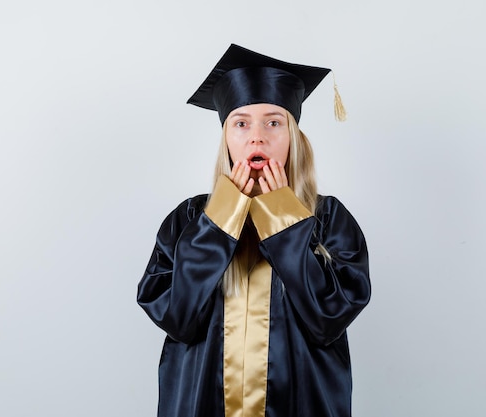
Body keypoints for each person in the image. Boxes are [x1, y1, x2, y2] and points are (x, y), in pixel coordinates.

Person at [137, 44, 371, 417]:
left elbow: (328, 319)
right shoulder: (188, 219)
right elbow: (177, 318)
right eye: (241, 123)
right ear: (226, 137)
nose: (256, 137)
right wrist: (222, 218)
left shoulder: (329, 219)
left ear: (293, 135)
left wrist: (283, 216)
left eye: (274, 122)